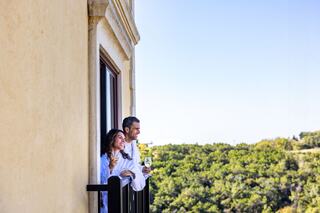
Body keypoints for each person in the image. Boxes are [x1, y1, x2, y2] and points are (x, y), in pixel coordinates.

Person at [100, 129, 145, 213]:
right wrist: (110, 167)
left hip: (123, 202)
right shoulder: (102, 159)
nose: (123, 140)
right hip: (104, 204)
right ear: (112, 139)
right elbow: (101, 182)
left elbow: (141, 184)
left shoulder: (128, 161)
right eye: (120, 137)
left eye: (124, 139)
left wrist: (132, 175)